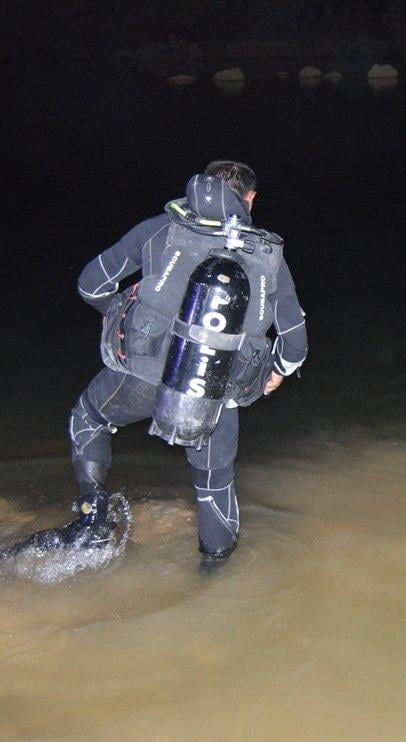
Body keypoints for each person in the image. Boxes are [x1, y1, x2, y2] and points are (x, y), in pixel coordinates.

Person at [30, 160, 307, 570]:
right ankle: (215, 577)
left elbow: (90, 284)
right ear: (250, 199)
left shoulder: (159, 228)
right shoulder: (269, 255)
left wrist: (121, 313)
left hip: (141, 376)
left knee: (88, 419)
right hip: (215, 394)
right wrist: (277, 373)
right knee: (213, 485)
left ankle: (93, 517)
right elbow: (295, 345)